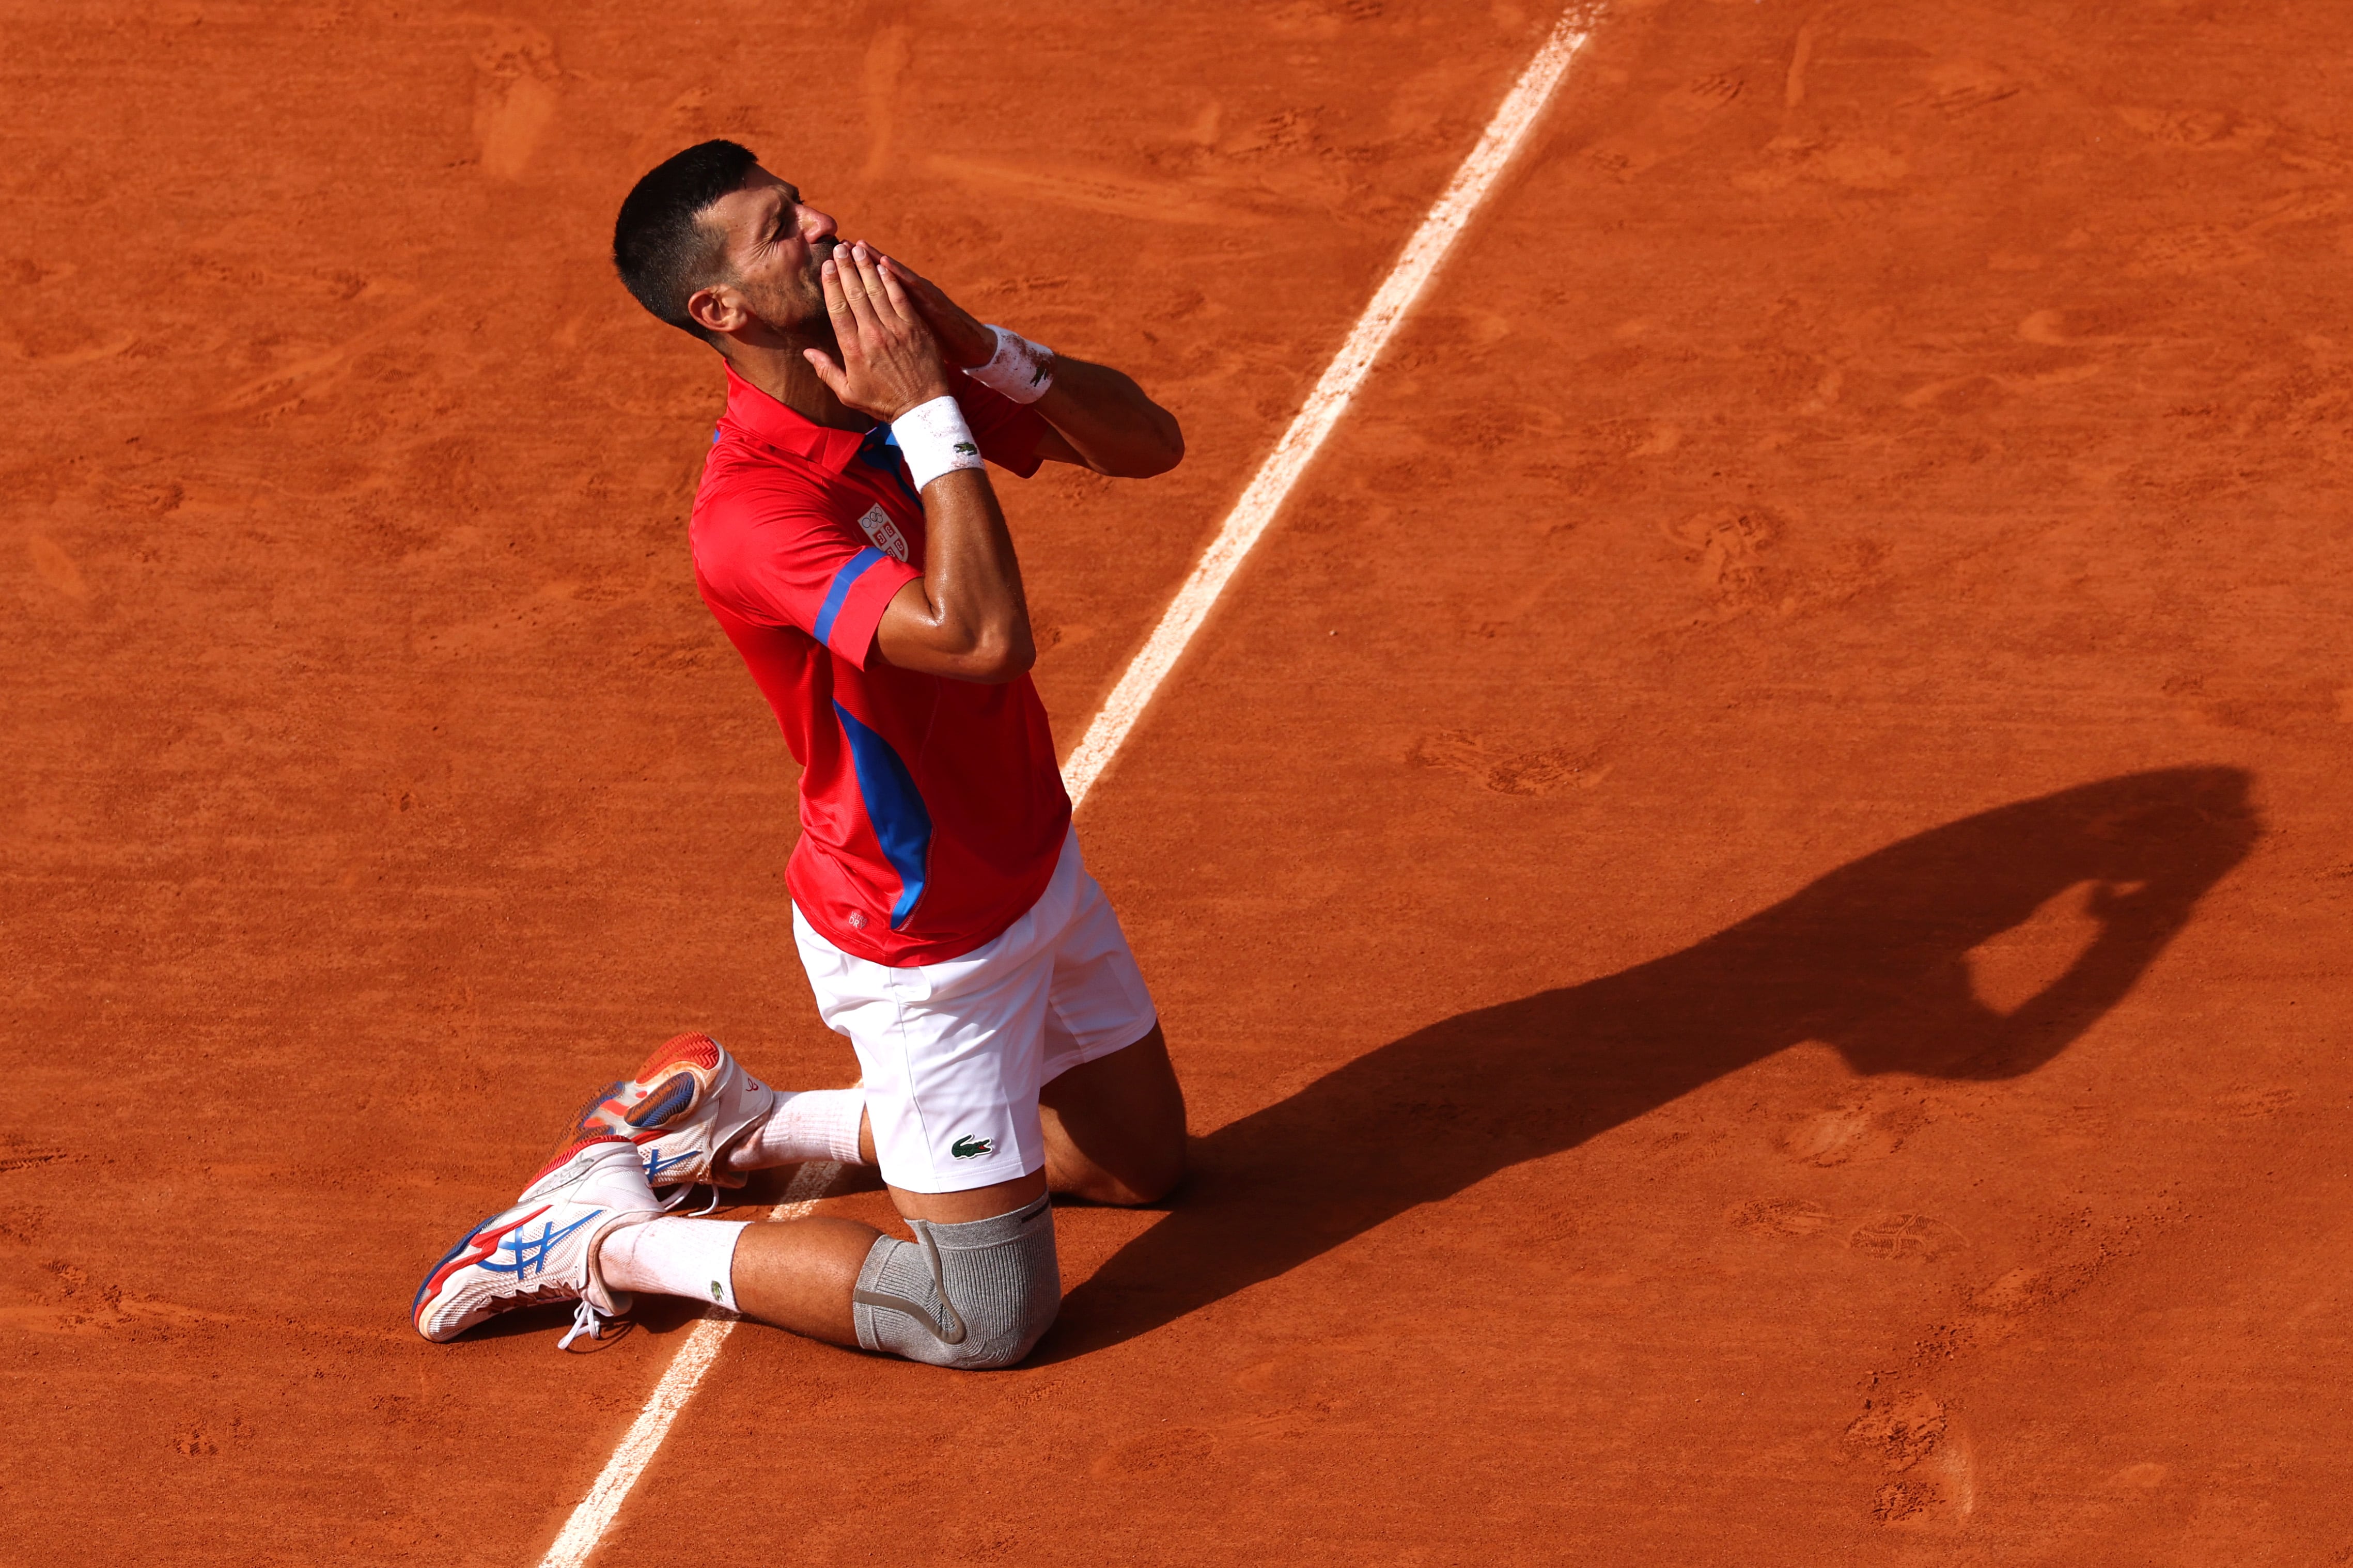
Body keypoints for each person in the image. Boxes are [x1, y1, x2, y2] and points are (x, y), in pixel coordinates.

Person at [413, 139, 1188, 1369]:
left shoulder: (876, 379)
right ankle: (602, 1237)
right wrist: (932, 414)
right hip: (922, 939)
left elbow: (1150, 444)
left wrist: (977, 352)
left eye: (802, 201)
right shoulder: (753, 510)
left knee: (1141, 1168)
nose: (825, 226)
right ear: (716, 310)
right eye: (782, 228)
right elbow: (981, 639)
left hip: (1033, 864)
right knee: (981, 1319)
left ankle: (749, 1124)